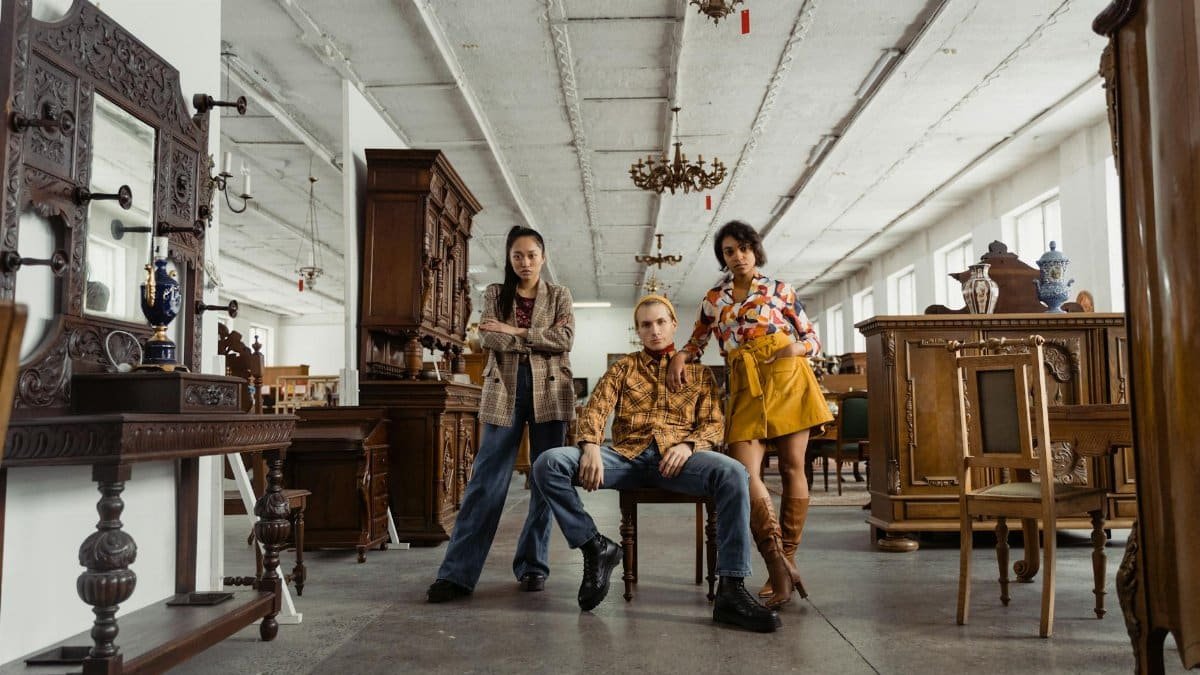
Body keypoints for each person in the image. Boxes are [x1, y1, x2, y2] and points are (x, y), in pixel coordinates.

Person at [531, 295, 780, 632]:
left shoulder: (699, 374)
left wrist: (688, 446)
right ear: (638, 331)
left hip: (678, 463)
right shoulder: (623, 368)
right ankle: (595, 546)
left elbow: (714, 424)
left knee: (734, 472)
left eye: (661, 322)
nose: (655, 330)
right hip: (626, 458)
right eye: (646, 325)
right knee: (548, 463)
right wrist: (590, 445)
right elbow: (596, 408)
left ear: (674, 324)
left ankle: (731, 591)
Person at [667, 220, 832, 609]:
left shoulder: (780, 290)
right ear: (723, 258)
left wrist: (795, 349)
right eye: (729, 251)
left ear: (755, 250)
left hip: (787, 376)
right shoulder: (714, 298)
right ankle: (777, 564)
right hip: (743, 382)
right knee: (744, 473)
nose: (738, 256)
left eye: (743, 248)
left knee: (793, 467)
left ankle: (787, 559)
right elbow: (697, 341)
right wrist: (679, 356)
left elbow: (811, 338)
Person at [427, 226, 576, 602]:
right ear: (509, 259)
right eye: (517, 256)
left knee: (545, 481)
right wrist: (534, 337)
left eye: (532, 255)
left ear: (543, 257)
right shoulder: (495, 293)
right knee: (485, 481)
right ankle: (457, 574)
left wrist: (514, 331)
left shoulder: (559, 294)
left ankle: (533, 565)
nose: (525, 262)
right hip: (504, 389)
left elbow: (565, 339)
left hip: (551, 392)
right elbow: (488, 337)